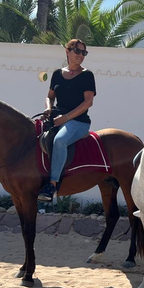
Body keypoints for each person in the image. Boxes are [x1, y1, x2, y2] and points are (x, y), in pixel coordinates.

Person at [38, 39, 96, 201]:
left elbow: (88, 102)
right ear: (67, 51)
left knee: (60, 140)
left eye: (84, 53)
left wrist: (66, 118)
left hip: (79, 122)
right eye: (77, 51)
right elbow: (49, 97)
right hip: (56, 118)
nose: (81, 55)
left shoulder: (87, 75)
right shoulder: (57, 74)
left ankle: (52, 185)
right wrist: (48, 108)